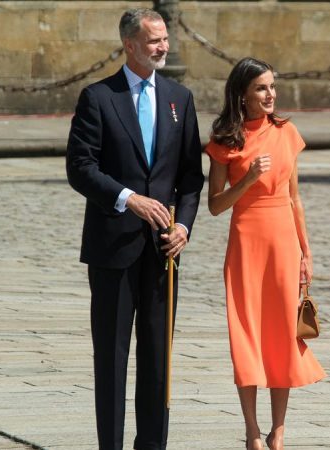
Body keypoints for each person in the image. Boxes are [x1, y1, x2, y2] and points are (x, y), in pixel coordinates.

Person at [65, 8, 204, 449]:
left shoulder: (179, 98)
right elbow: (80, 167)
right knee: (112, 357)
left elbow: (190, 178)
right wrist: (129, 199)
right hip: (112, 250)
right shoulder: (98, 97)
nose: (163, 47)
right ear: (129, 44)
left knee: (157, 360)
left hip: (163, 252)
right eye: (153, 41)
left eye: (165, 39)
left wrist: (183, 225)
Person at [205, 57, 325, 450]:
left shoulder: (287, 133)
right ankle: (252, 430)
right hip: (246, 240)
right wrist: (250, 178)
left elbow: (295, 199)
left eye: (272, 86)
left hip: (283, 242)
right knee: (247, 333)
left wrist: (306, 252)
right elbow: (216, 205)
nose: (270, 94)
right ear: (243, 93)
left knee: (280, 335)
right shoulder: (225, 140)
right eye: (261, 87)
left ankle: (279, 430)